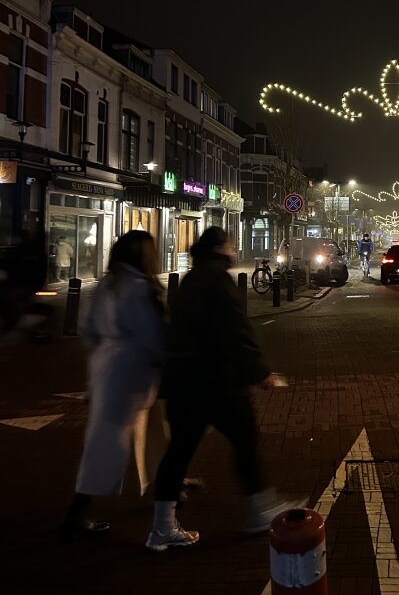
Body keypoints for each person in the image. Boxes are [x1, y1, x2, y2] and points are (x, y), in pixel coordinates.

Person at [147, 227, 304, 552]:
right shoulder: (218, 280)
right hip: (216, 382)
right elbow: (235, 329)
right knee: (245, 440)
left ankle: (162, 526)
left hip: (184, 382)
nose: (233, 250)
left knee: (179, 452)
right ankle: (259, 509)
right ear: (220, 248)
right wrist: (259, 371)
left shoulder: (191, 279)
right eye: (230, 244)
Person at [61, 231, 167, 541]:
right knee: (108, 445)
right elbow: (152, 335)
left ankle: (163, 484)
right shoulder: (138, 288)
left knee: (133, 435)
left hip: (107, 368)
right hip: (130, 371)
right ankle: (76, 513)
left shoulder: (106, 285)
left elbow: (88, 328)